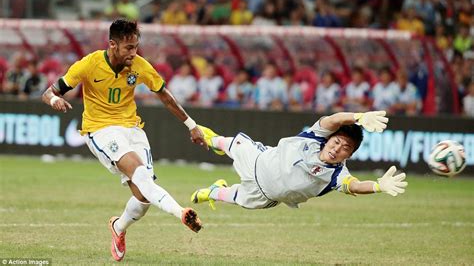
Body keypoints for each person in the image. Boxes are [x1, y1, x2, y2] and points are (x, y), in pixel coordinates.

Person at [41, 19, 206, 262]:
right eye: (128, 48)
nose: (134, 52)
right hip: (101, 130)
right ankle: (181, 212)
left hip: (132, 128)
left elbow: (164, 95)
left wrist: (191, 125)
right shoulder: (89, 64)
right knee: (140, 175)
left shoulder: (139, 65)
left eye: (136, 46)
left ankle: (118, 227)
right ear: (112, 45)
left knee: (143, 197)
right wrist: (55, 101)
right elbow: (49, 92)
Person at [191, 111, 407, 210]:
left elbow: (356, 186)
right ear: (330, 138)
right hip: (259, 161)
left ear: (349, 155)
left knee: (236, 197)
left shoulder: (336, 175)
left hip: (266, 195)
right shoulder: (315, 136)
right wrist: (358, 117)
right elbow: (333, 119)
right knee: (231, 145)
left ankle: (212, 191)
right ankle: (210, 139)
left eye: (346, 148)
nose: (338, 149)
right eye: (337, 142)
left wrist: (378, 186)